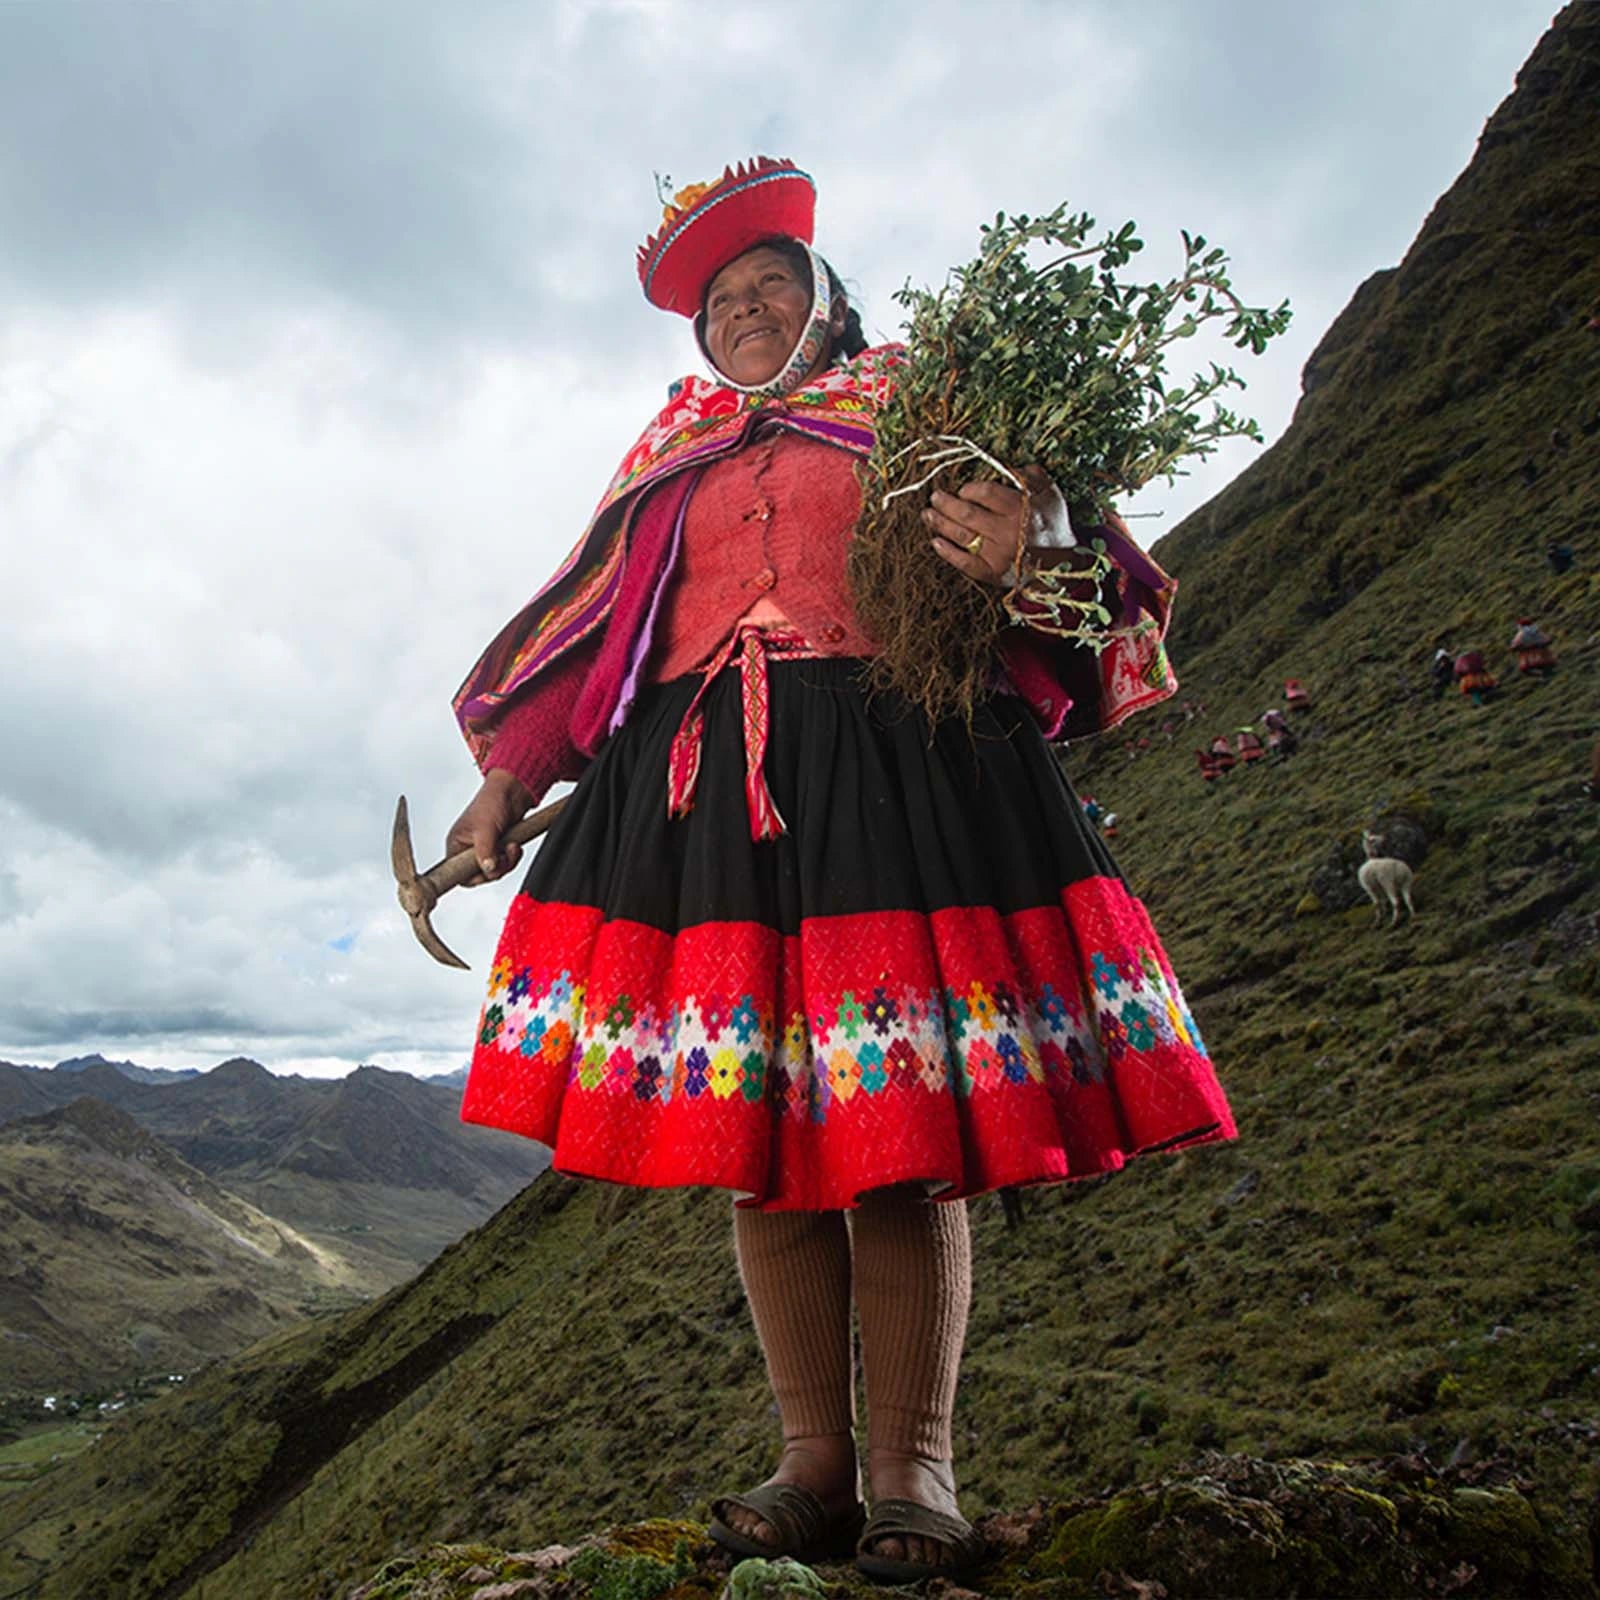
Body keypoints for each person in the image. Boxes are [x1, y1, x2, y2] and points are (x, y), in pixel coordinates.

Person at [443, 158, 1234, 1584]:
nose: (745, 313)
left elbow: (1074, 568)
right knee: (765, 1148)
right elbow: (588, 637)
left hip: (897, 775)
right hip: (708, 806)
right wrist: (509, 776)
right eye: (721, 304)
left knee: (897, 1135)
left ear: (826, 301)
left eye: (770, 286)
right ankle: (813, 1458)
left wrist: (1027, 542)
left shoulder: (921, 411)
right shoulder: (667, 454)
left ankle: (914, 1466)